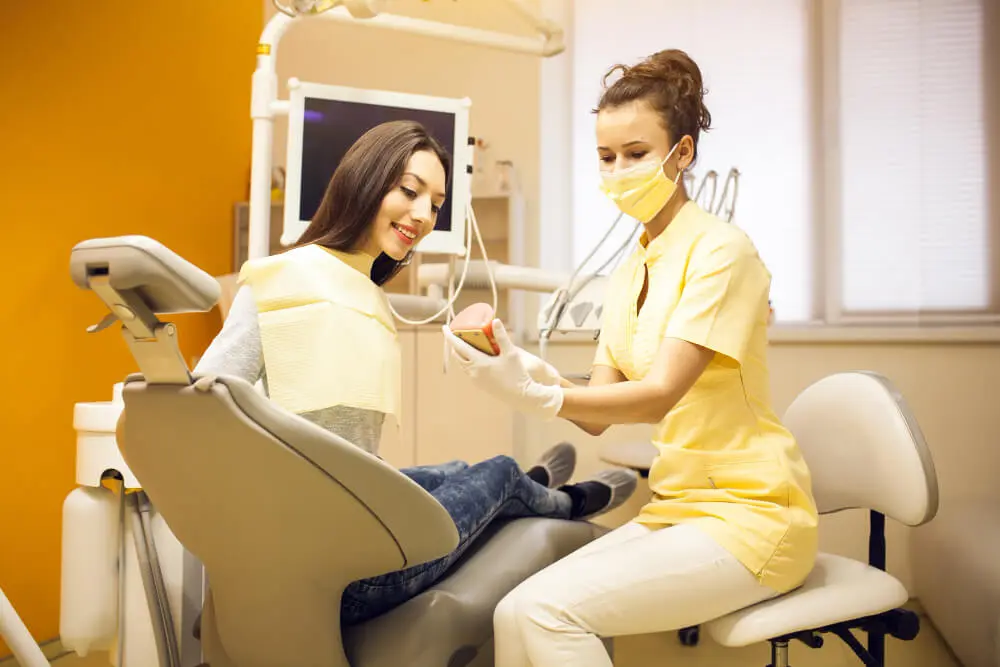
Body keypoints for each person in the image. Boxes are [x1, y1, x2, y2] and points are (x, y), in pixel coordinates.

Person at [443, 49, 820, 666]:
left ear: (684, 154)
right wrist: (524, 368)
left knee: (546, 613)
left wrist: (539, 395)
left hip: (752, 514)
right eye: (606, 156)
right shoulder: (630, 272)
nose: (618, 171)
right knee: (513, 609)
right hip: (677, 508)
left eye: (636, 153)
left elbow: (661, 393)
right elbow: (597, 412)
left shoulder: (723, 252)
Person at [193, 119, 638, 626]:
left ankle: (528, 485)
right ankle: (563, 499)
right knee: (497, 471)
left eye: (436, 204)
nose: (424, 215)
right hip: (346, 577)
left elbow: (346, 451)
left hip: (340, 525)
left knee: (453, 472)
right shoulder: (279, 283)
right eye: (410, 191)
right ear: (365, 178)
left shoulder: (362, 291)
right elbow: (207, 406)